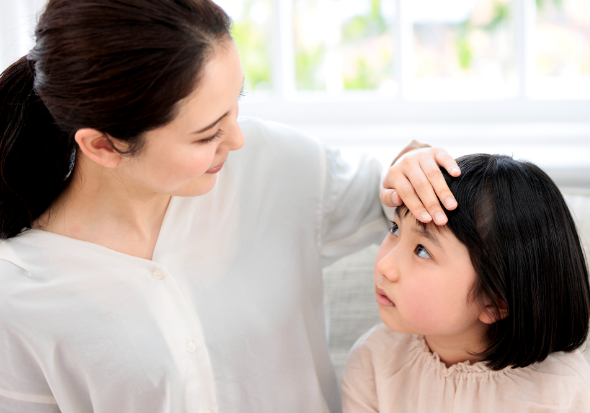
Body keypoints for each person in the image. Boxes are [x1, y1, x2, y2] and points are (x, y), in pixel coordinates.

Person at [0, 1, 461, 412]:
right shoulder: (19, 292)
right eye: (207, 134)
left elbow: (404, 202)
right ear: (103, 145)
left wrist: (414, 166)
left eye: (236, 103)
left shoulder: (276, 163)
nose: (238, 139)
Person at [341, 154, 590, 413]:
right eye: (395, 228)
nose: (385, 266)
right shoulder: (374, 360)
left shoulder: (561, 390)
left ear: (494, 302)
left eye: (422, 250)